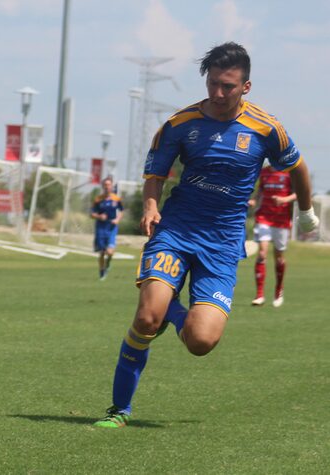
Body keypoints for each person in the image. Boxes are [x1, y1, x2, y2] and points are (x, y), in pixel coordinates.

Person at [94, 42, 319, 428]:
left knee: (201, 342)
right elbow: (155, 175)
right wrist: (150, 205)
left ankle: (173, 312)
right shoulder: (180, 124)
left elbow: (298, 167)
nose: (217, 93)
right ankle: (119, 410)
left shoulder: (266, 128)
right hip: (177, 231)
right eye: (213, 83)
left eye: (227, 86)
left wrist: (306, 212)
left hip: (223, 243)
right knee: (147, 317)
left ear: (245, 87)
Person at [248, 165, 296, 307]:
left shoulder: (289, 172)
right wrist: (255, 200)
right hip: (264, 217)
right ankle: (259, 295)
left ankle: (278, 290)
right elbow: (260, 191)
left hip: (281, 221)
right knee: (262, 254)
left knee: (279, 257)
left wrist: (284, 200)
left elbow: (298, 193)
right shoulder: (264, 172)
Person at [90, 177, 123, 281]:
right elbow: (91, 213)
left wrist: (117, 219)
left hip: (112, 227)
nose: (107, 186)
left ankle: (108, 263)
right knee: (102, 252)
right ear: (103, 186)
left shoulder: (116, 199)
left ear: (112, 186)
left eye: (109, 184)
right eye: (105, 185)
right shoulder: (98, 199)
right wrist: (99, 216)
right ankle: (102, 272)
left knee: (110, 252)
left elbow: (121, 211)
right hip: (100, 228)